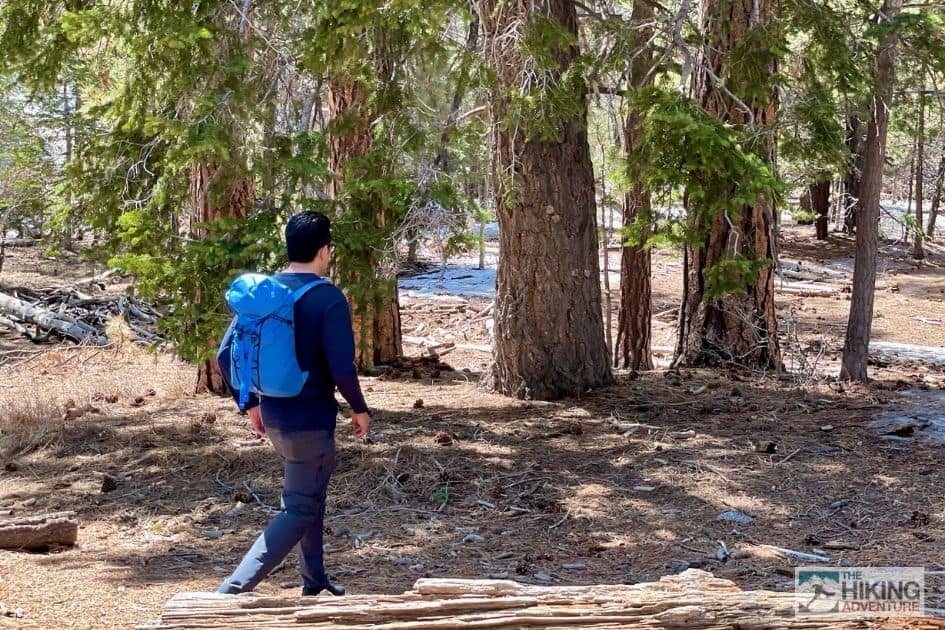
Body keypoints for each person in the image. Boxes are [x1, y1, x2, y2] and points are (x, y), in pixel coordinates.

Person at [216, 210, 371, 597]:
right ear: (324, 251)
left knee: (309, 494)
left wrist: (250, 403)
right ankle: (229, 593)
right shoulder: (327, 298)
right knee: (299, 508)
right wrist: (359, 408)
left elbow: (224, 355)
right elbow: (342, 367)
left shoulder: (264, 294)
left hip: (274, 415)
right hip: (310, 420)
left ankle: (314, 581)